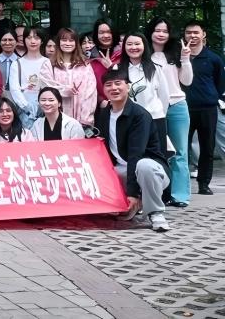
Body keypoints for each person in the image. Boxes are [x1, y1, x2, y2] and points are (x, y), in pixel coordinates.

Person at [95, 67, 171, 232]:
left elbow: (136, 155)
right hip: (123, 169)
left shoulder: (139, 115)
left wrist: (132, 193)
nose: (114, 88)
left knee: (144, 166)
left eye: (118, 83)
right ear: (104, 89)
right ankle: (126, 206)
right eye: (109, 85)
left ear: (128, 86)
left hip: (151, 170)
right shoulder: (104, 114)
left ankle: (156, 213)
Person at [146, 17, 193, 206]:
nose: (161, 34)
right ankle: (160, 193)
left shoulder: (175, 52)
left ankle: (180, 196)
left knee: (180, 152)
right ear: (150, 32)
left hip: (177, 105)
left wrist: (185, 58)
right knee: (157, 151)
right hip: (154, 108)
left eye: (165, 31)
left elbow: (187, 81)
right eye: (157, 30)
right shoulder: (145, 54)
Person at [182, 20, 224, 196]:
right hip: (184, 108)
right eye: (188, 32)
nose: (192, 36)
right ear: (184, 35)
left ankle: (204, 183)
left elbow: (220, 83)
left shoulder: (213, 58)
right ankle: (181, 184)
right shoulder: (179, 57)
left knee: (207, 148)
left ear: (203, 34)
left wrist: (212, 97)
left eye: (196, 32)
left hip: (207, 109)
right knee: (181, 148)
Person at [48, 28, 99, 127]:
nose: (68, 43)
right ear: (58, 42)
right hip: (56, 118)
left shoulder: (85, 65)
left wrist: (85, 119)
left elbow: (91, 92)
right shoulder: (51, 65)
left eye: (71, 40)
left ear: (76, 43)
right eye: (64, 40)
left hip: (81, 119)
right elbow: (48, 89)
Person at [8, 27, 53, 128]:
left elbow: (50, 86)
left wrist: (42, 105)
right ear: (24, 40)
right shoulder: (17, 63)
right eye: (29, 38)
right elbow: (14, 89)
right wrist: (26, 106)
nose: (32, 41)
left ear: (42, 41)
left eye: (36, 38)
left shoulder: (47, 62)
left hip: (44, 108)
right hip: (23, 110)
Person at [89, 19, 121, 105]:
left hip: (122, 103)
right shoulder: (90, 57)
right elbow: (88, 85)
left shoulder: (124, 53)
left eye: (109, 32)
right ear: (96, 34)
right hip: (99, 105)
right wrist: (101, 101)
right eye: (101, 32)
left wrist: (111, 67)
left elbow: (128, 79)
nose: (105, 35)